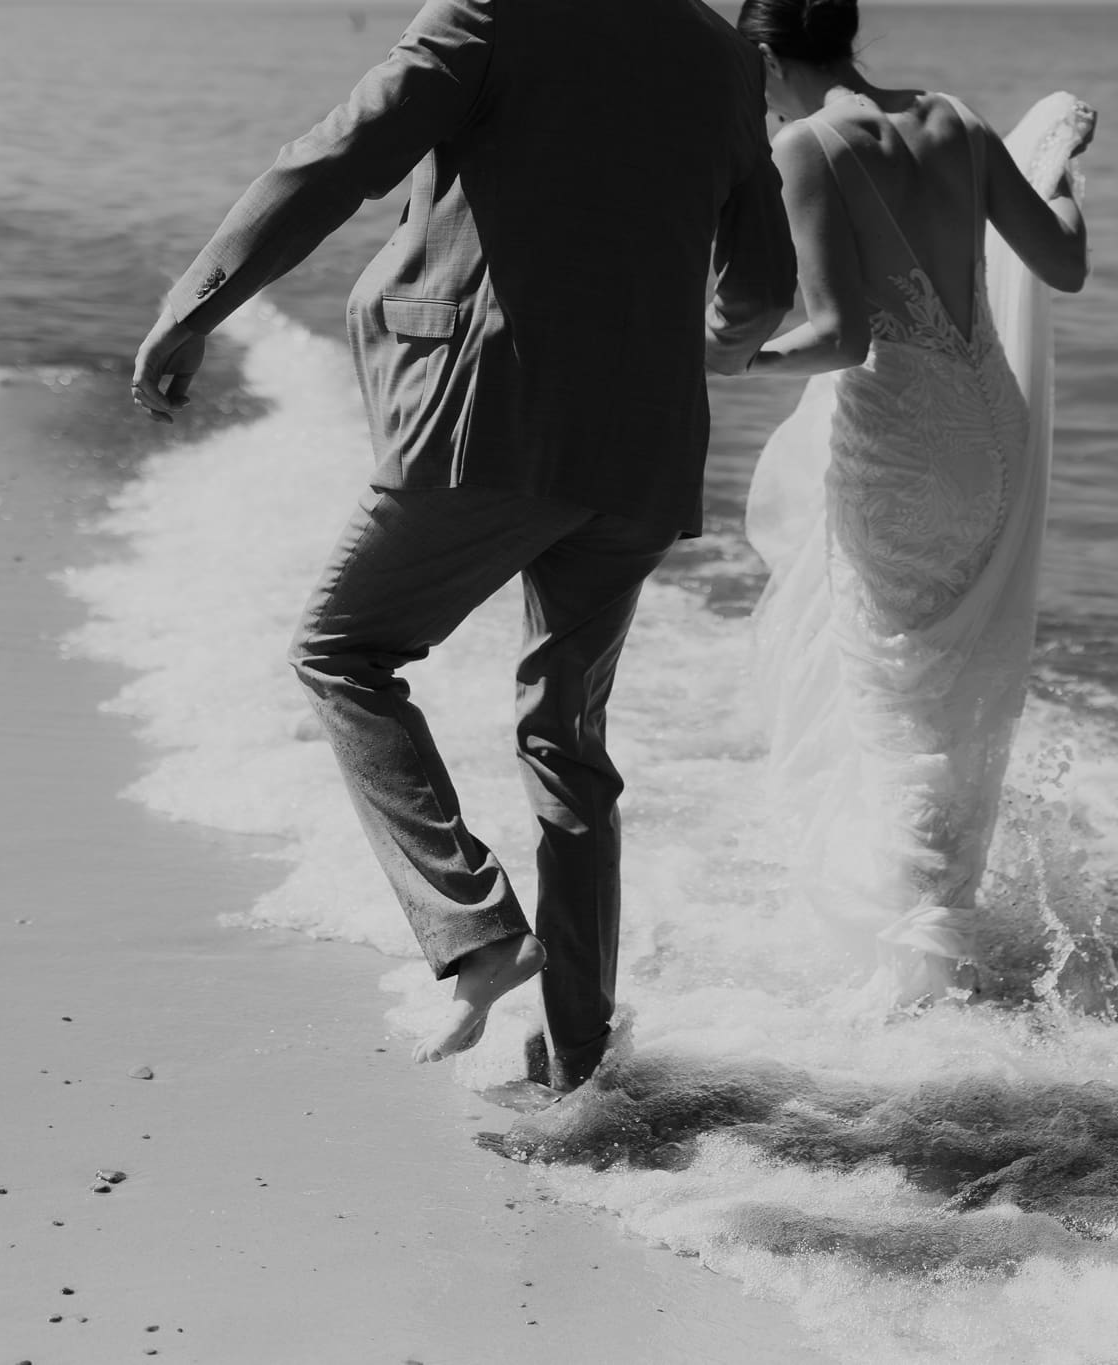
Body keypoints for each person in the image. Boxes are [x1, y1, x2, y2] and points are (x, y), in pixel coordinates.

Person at [131, 0, 796, 1091]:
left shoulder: (494, 12)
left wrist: (195, 304)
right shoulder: (722, 51)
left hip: (492, 417)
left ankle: (476, 928)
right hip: (647, 445)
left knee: (342, 651)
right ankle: (578, 1062)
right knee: (566, 743)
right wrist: (685, 330)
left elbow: (335, 162)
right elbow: (762, 288)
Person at [726, 0, 1093, 1004]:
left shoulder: (803, 147)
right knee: (950, 677)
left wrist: (720, 356)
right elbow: (1061, 262)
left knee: (894, 700)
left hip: (899, 445)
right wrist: (1058, 178)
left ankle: (908, 966)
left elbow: (840, 337)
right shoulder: (955, 122)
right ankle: (941, 911)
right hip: (989, 434)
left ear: (763, 55)